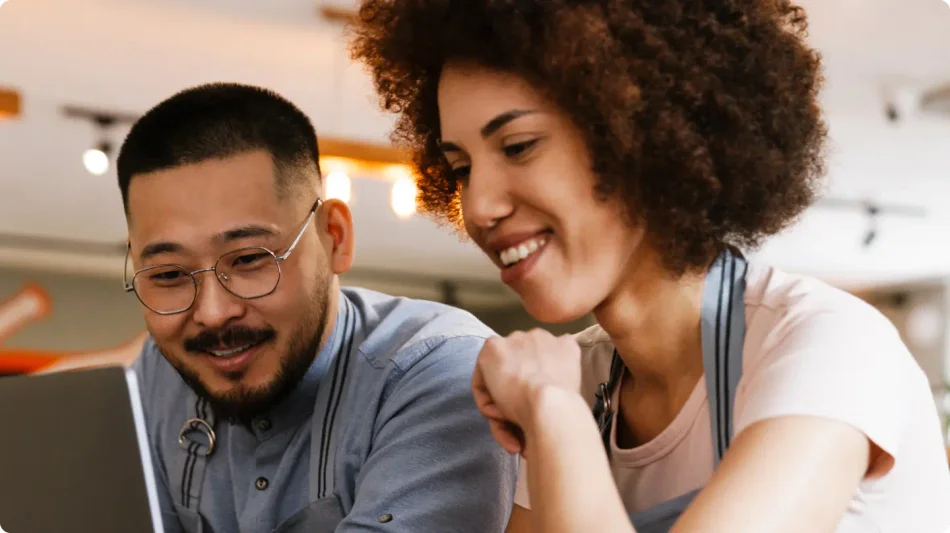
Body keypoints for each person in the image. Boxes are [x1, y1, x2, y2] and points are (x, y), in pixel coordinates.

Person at [348, 2, 950, 532]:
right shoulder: (577, 381)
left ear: (641, 134)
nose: (478, 205)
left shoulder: (826, 346)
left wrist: (556, 419)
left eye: (519, 146)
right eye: (461, 168)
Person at [115, 82, 517, 533]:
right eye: (168, 275)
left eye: (249, 260)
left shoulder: (441, 371)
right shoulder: (160, 377)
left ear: (334, 239)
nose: (211, 314)